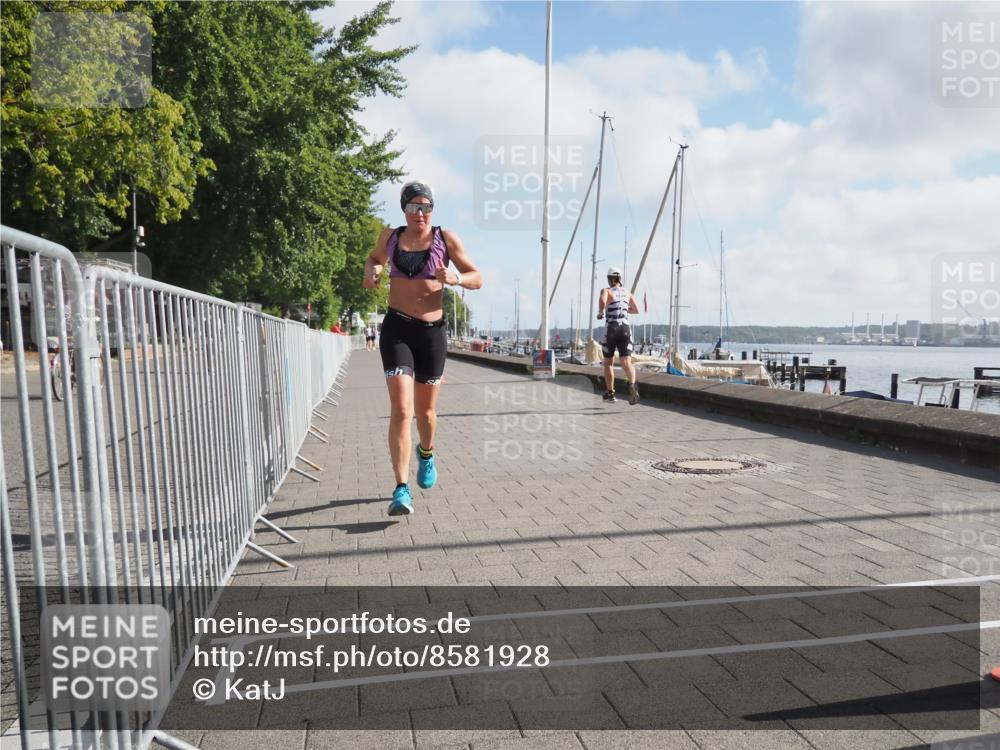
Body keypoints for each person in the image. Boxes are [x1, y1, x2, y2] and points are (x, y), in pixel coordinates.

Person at [363, 181, 482, 515]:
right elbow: (372, 259)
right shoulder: (389, 237)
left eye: (427, 207)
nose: (421, 214)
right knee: (402, 410)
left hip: (431, 333)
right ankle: (401, 489)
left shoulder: (446, 239)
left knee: (426, 413)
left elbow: (477, 276)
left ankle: (426, 453)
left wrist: (456, 279)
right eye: (415, 207)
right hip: (397, 329)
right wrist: (372, 270)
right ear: (404, 209)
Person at [596, 266, 640, 404]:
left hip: (611, 329)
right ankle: (632, 385)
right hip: (626, 329)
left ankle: (610, 394)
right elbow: (636, 310)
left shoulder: (606, 291)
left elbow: (603, 300)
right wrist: (624, 310)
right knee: (626, 362)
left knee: (608, 362)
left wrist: (601, 311)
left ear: (609, 279)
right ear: (620, 279)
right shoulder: (627, 292)